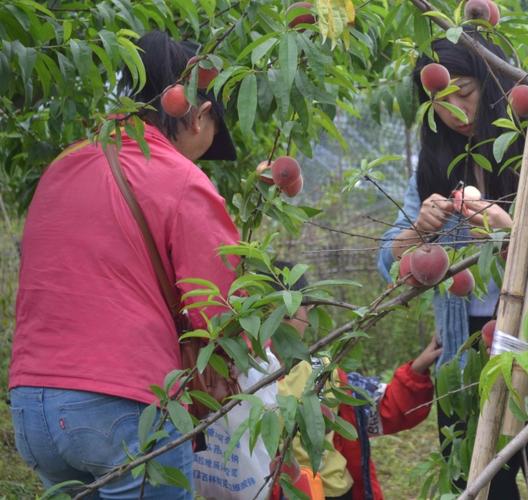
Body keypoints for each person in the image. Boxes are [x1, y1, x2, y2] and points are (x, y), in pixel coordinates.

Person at [9, 30, 240, 497]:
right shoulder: (180, 179)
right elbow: (222, 313)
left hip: (32, 406)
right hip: (124, 409)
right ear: (201, 115)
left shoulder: (64, 164)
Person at [377, 30, 528, 499]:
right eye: (438, 100)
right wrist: (420, 229)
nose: (453, 111)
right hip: (469, 356)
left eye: (465, 92)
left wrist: (510, 232)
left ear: (494, 83)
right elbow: (388, 262)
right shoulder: (436, 165)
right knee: (484, 489)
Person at [267, 266, 442, 500]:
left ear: (309, 312)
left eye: (289, 314)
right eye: (270, 315)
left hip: (336, 492)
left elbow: (382, 408)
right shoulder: (246, 381)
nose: (280, 324)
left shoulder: (323, 369)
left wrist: (417, 370)